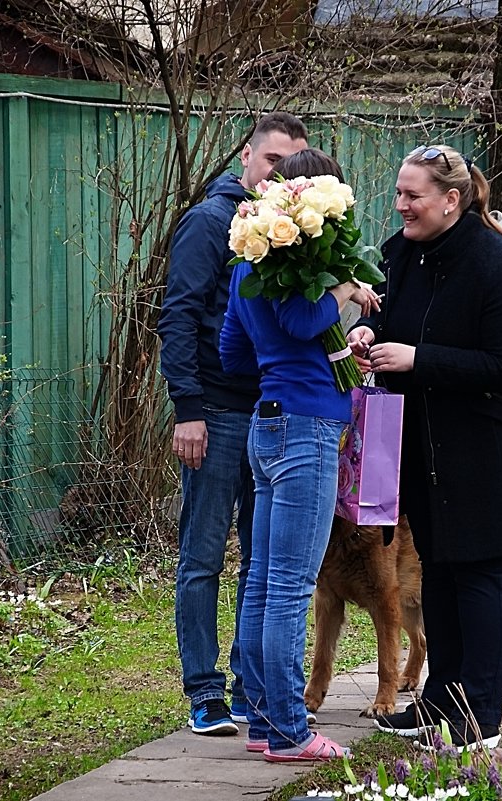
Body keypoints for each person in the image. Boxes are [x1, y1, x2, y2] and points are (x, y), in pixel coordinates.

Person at [347, 144, 502, 752]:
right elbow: (392, 318)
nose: (401, 205)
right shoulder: (400, 254)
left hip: (484, 450)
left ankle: (480, 712)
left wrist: (418, 360)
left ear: (452, 200)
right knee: (440, 576)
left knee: (479, 576)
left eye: (413, 196)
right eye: (400, 194)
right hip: (422, 449)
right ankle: (438, 704)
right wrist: (368, 332)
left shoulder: (494, 263)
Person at [220, 148, 380, 761]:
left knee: (263, 580)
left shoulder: (246, 265)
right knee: (287, 585)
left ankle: (262, 718)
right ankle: (289, 729)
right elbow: (302, 318)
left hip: (267, 423)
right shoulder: (293, 259)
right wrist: (341, 290)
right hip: (306, 432)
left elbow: (236, 352)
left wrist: (300, 359)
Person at [158, 111, 309, 736]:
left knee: (261, 558)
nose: (280, 174)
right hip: (216, 415)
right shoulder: (211, 221)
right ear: (246, 155)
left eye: (292, 165)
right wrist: (187, 409)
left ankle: (250, 687)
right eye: (272, 160)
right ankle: (204, 693)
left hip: (268, 414)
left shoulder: (295, 231)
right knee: (202, 556)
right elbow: (179, 316)